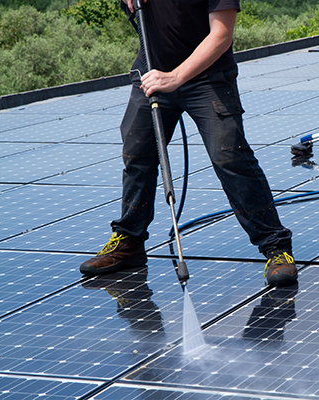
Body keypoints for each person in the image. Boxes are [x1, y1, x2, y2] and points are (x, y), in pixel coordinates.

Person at [79, 0, 297, 287]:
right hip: (152, 73)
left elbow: (221, 35)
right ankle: (129, 242)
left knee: (230, 157)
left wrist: (175, 77)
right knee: (137, 153)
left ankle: (276, 247)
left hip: (208, 77)